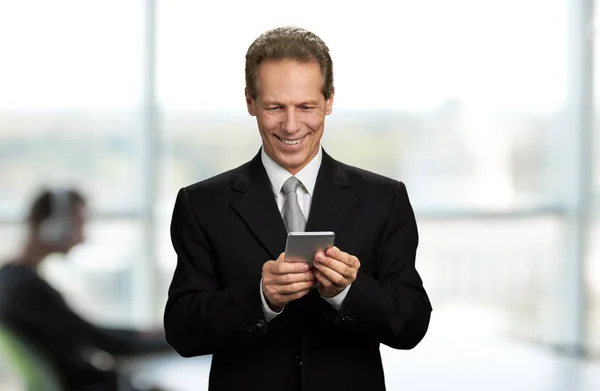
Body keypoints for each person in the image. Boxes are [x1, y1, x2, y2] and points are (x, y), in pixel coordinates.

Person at [164, 26, 432, 391]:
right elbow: (182, 330)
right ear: (250, 102)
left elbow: (412, 324)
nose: (291, 126)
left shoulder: (384, 199)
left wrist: (349, 291)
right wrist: (261, 297)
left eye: (306, 106)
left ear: (329, 101)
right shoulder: (201, 204)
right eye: (275, 107)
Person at [0, 188, 171, 391]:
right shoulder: (27, 289)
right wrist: (178, 339)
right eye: (79, 223)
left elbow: (83, 329)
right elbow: (103, 341)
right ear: (53, 226)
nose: (83, 237)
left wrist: (144, 333)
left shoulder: (10, 277)